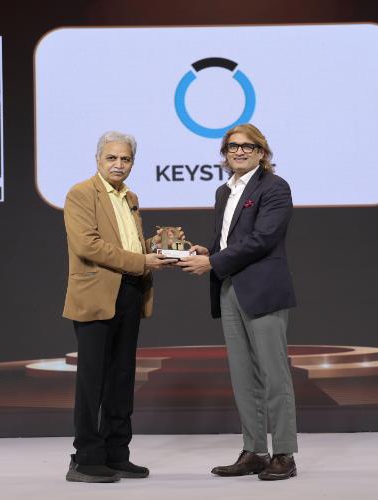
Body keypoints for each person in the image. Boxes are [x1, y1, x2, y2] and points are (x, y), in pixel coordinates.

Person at [177, 123, 298, 480]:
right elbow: (229, 241)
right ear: (225, 154)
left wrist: (213, 262)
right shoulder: (223, 191)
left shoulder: (275, 187)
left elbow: (263, 239)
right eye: (233, 147)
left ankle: (284, 454)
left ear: (262, 152)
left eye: (248, 146)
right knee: (243, 376)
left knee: (274, 375)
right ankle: (255, 451)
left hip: (262, 290)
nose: (240, 152)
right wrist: (208, 252)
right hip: (229, 288)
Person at [62, 131, 175, 483]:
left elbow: (128, 245)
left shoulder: (130, 197)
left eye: (125, 159)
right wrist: (142, 260)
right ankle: (86, 458)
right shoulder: (81, 193)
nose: (118, 164)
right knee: (93, 380)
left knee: (122, 377)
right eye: (112, 158)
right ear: (98, 159)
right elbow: (88, 246)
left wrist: (157, 246)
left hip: (130, 291)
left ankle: (116, 453)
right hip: (95, 294)